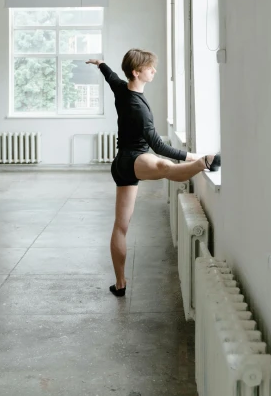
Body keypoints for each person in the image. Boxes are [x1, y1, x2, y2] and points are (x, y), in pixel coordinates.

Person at [86, 49, 220, 298]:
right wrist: (190, 156)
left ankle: (120, 283)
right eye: (150, 68)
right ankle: (203, 163)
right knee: (164, 166)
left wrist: (101, 63)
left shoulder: (122, 89)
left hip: (122, 164)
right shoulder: (139, 109)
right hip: (134, 158)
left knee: (121, 226)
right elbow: (158, 146)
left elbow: (111, 76)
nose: (154, 71)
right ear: (137, 72)